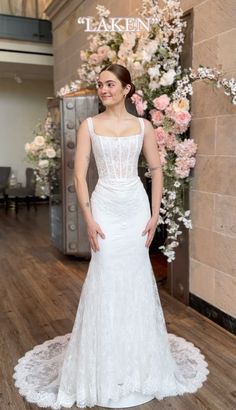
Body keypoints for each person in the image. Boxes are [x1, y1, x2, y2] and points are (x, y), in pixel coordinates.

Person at [13, 64, 209, 409]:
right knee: (105, 277)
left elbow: (157, 170)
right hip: (104, 207)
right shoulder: (89, 126)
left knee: (135, 278)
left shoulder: (143, 126)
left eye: (109, 84)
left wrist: (153, 214)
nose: (103, 89)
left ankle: (139, 364)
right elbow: (78, 176)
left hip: (134, 209)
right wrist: (88, 219)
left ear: (126, 89)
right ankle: (102, 365)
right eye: (100, 84)